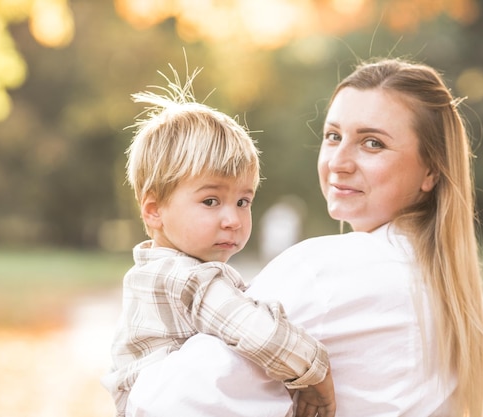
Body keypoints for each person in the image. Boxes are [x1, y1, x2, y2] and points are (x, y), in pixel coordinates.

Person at [125, 58, 483, 417]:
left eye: (372, 143)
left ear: (430, 170)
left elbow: (160, 404)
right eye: (333, 136)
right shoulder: (445, 281)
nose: (339, 162)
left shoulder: (327, 273)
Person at [101, 67, 335, 417]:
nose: (233, 219)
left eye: (243, 201)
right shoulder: (186, 276)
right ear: (153, 210)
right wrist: (318, 372)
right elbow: (255, 331)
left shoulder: (154, 269)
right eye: (211, 201)